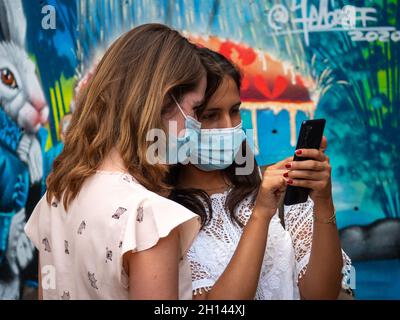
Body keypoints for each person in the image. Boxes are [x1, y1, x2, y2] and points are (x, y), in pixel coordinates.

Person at [24, 24, 216, 300]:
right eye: (195, 109)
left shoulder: (57, 198)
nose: (197, 123)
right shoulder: (149, 220)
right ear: (163, 99)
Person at [167, 48, 352, 300]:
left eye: (234, 111)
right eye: (211, 115)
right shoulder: (163, 215)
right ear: (176, 121)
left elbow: (322, 295)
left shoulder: (276, 189)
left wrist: (323, 202)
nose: (229, 126)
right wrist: (261, 215)